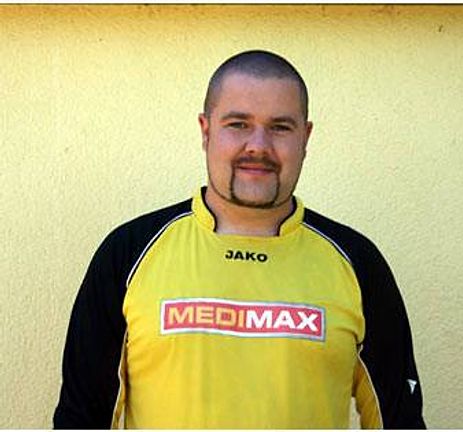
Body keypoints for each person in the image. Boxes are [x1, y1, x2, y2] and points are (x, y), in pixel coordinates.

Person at [53, 50, 426, 429]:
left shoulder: (357, 263)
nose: (258, 146)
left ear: (305, 136)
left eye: (280, 127)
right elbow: (80, 419)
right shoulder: (127, 253)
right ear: (206, 130)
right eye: (238, 124)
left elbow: (401, 422)